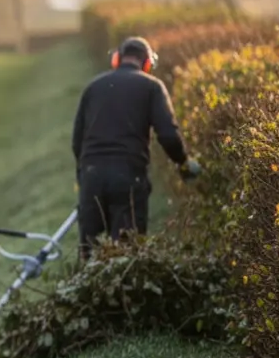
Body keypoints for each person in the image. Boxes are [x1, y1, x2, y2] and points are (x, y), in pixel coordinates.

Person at [72, 36, 202, 259]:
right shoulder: (152, 87)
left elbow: (77, 141)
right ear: (147, 63)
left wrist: (83, 175)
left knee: (91, 254)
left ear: (117, 59)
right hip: (128, 176)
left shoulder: (93, 87)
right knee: (127, 254)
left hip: (91, 176)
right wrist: (182, 162)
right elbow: (168, 136)